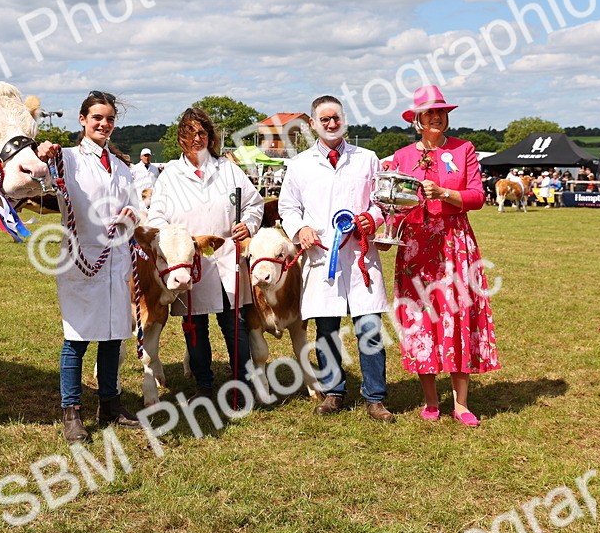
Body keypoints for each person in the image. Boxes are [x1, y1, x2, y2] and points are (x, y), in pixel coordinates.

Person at [383, 85, 500, 426]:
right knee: (422, 318)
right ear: (417, 120)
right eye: (430, 112)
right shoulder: (402, 157)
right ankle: (431, 400)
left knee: (460, 315)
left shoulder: (464, 149)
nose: (437, 117)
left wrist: (446, 193)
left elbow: (477, 196)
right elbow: (393, 201)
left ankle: (462, 404)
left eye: (442, 112)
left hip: (455, 242)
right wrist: (388, 230)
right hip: (417, 246)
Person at [277, 95, 395, 422]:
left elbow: (382, 201)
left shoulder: (367, 159)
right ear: (313, 124)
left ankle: (375, 397)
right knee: (326, 329)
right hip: (321, 255)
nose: (331, 124)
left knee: (369, 328)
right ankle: (333, 391)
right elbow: (288, 207)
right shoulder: (299, 164)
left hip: (360, 256)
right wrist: (300, 228)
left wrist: (372, 217)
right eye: (324, 119)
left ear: (344, 120)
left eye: (336, 118)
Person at [147, 107, 264, 402]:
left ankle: (241, 383)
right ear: (180, 139)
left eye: (201, 132)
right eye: (189, 133)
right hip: (189, 264)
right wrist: (174, 242)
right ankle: (204, 385)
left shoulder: (228, 169)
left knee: (233, 324)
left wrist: (246, 225)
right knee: (194, 327)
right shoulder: (170, 174)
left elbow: (254, 203)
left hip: (226, 260)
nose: (196, 138)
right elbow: (156, 218)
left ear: (210, 136)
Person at [52, 91, 142, 443]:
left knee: (113, 335)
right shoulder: (67, 159)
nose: (104, 125)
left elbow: (135, 207)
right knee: (77, 338)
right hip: (81, 258)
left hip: (115, 260)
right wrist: (46, 153)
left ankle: (110, 404)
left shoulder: (121, 167)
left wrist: (131, 216)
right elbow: (43, 179)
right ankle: (71, 412)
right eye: (97, 119)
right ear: (82, 120)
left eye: (109, 120)